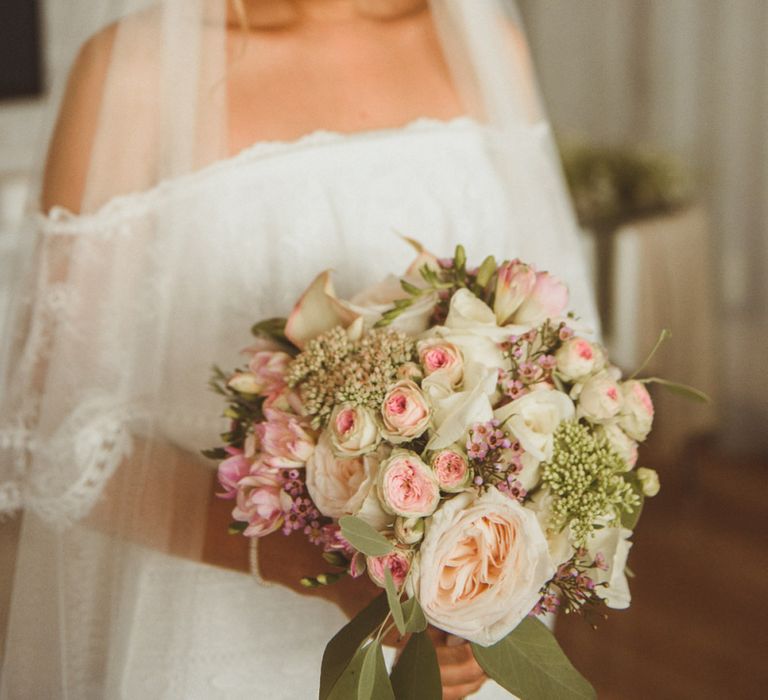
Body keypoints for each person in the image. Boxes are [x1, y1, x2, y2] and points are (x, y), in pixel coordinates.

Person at [0, 1, 598, 698]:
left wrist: (485, 590)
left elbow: (553, 352)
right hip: (213, 632)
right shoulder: (130, 72)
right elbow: (58, 434)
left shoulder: (485, 44)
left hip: (462, 634)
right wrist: (305, 565)